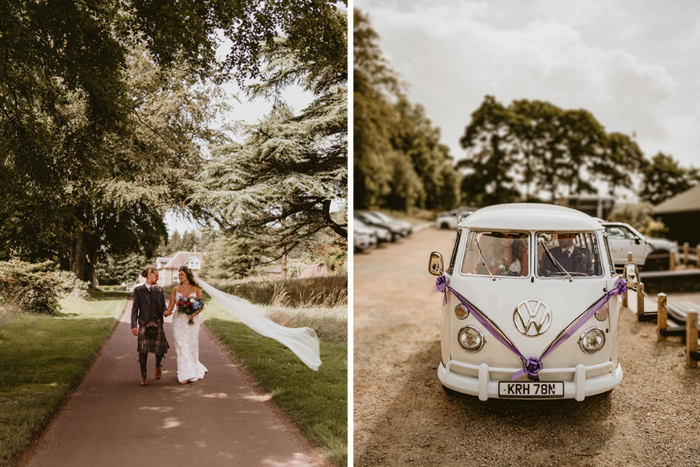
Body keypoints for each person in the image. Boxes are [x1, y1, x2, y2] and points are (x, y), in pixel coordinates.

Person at [165, 265, 208, 384]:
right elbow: (171, 305)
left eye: (181, 274)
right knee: (180, 344)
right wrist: (167, 311)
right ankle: (185, 374)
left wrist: (194, 314)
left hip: (192, 321)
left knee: (190, 346)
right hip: (178, 321)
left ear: (188, 275)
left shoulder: (196, 289)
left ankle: (193, 369)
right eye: (178, 275)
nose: (179, 276)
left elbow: (201, 305)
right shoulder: (175, 289)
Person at [131, 268, 169, 386]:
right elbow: (134, 309)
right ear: (150, 276)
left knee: (159, 349)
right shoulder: (138, 290)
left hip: (157, 322)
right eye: (157, 276)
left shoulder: (159, 290)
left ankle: (158, 365)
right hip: (144, 323)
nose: (158, 278)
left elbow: (162, 307)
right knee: (143, 350)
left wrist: (166, 311)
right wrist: (133, 326)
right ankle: (143, 375)